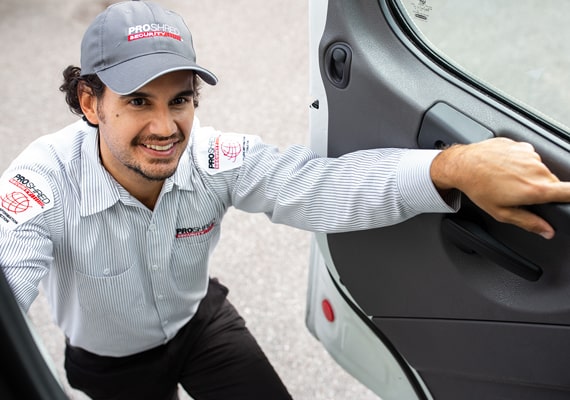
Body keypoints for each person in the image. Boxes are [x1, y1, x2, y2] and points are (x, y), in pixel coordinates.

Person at [1, 1, 569, 399]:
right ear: (91, 102)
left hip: (198, 321)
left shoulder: (214, 159)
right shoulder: (44, 183)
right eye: (138, 101)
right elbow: (8, 274)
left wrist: (454, 166)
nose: (165, 127)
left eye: (180, 100)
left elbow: (324, 185)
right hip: (110, 362)